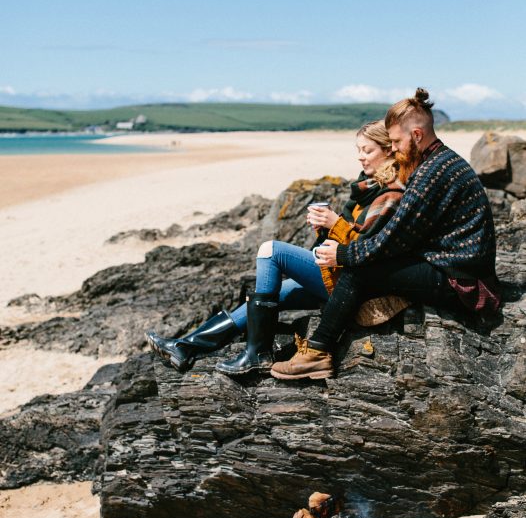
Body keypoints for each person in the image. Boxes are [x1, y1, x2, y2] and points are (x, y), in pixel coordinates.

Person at [270, 88, 501, 381]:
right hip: (454, 265)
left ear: (416, 135)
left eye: (395, 142)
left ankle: (317, 353)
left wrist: (342, 254)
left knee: (358, 271)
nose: (393, 149)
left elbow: (394, 237)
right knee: (368, 266)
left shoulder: (432, 173)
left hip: (461, 280)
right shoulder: (442, 161)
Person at [146, 121, 405, 376]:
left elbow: (368, 249)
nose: (360, 157)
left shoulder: (390, 195)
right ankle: (187, 347)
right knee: (273, 293)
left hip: (357, 287)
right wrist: (324, 229)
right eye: (358, 150)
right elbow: (345, 239)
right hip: (338, 273)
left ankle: (258, 355)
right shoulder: (366, 188)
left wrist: (334, 222)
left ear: (388, 150)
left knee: (271, 251)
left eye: (367, 150)